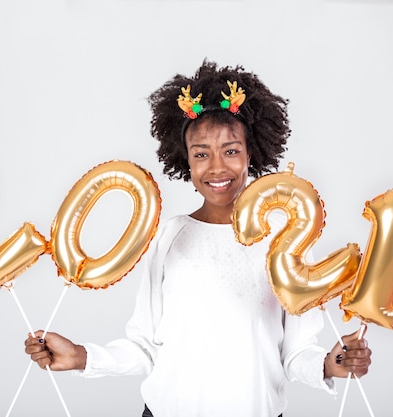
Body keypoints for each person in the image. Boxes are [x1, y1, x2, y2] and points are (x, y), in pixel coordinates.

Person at [25, 60, 372, 417]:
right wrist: (82, 357)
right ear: (186, 160)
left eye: (231, 150)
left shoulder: (284, 241)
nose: (217, 167)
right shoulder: (170, 236)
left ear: (251, 153)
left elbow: (295, 353)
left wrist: (331, 364)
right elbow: (146, 346)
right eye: (201, 153)